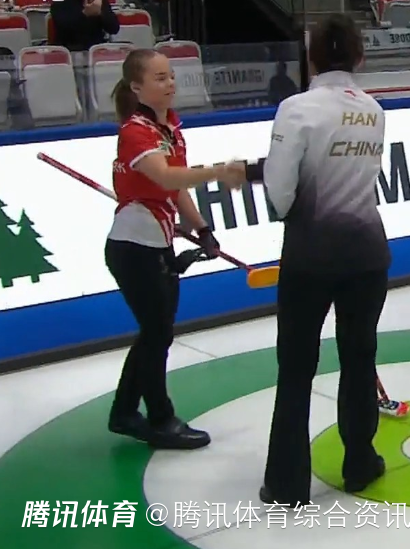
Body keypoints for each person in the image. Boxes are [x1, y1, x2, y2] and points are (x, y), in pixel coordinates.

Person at [223, 14, 392, 507]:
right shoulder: (375, 111)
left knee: (297, 366)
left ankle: (287, 482)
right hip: (367, 252)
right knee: (359, 357)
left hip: (310, 256)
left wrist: (280, 200)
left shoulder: (296, 108)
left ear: (311, 57)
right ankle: (360, 462)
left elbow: (280, 189)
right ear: (359, 56)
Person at [105, 48, 238, 450]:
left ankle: (125, 412)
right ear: (136, 87)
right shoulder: (135, 132)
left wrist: (202, 228)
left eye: (171, 76)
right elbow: (165, 177)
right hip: (134, 247)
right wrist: (218, 172)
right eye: (159, 78)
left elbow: (176, 189)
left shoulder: (170, 128)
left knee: (156, 333)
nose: (170, 84)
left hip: (157, 244)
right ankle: (160, 417)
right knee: (157, 333)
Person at [50, 0, 121, 52]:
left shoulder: (98, 2)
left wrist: (101, 14)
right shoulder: (60, 2)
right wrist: (85, 14)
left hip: (95, 50)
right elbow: (64, 26)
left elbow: (114, 29)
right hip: (68, 50)